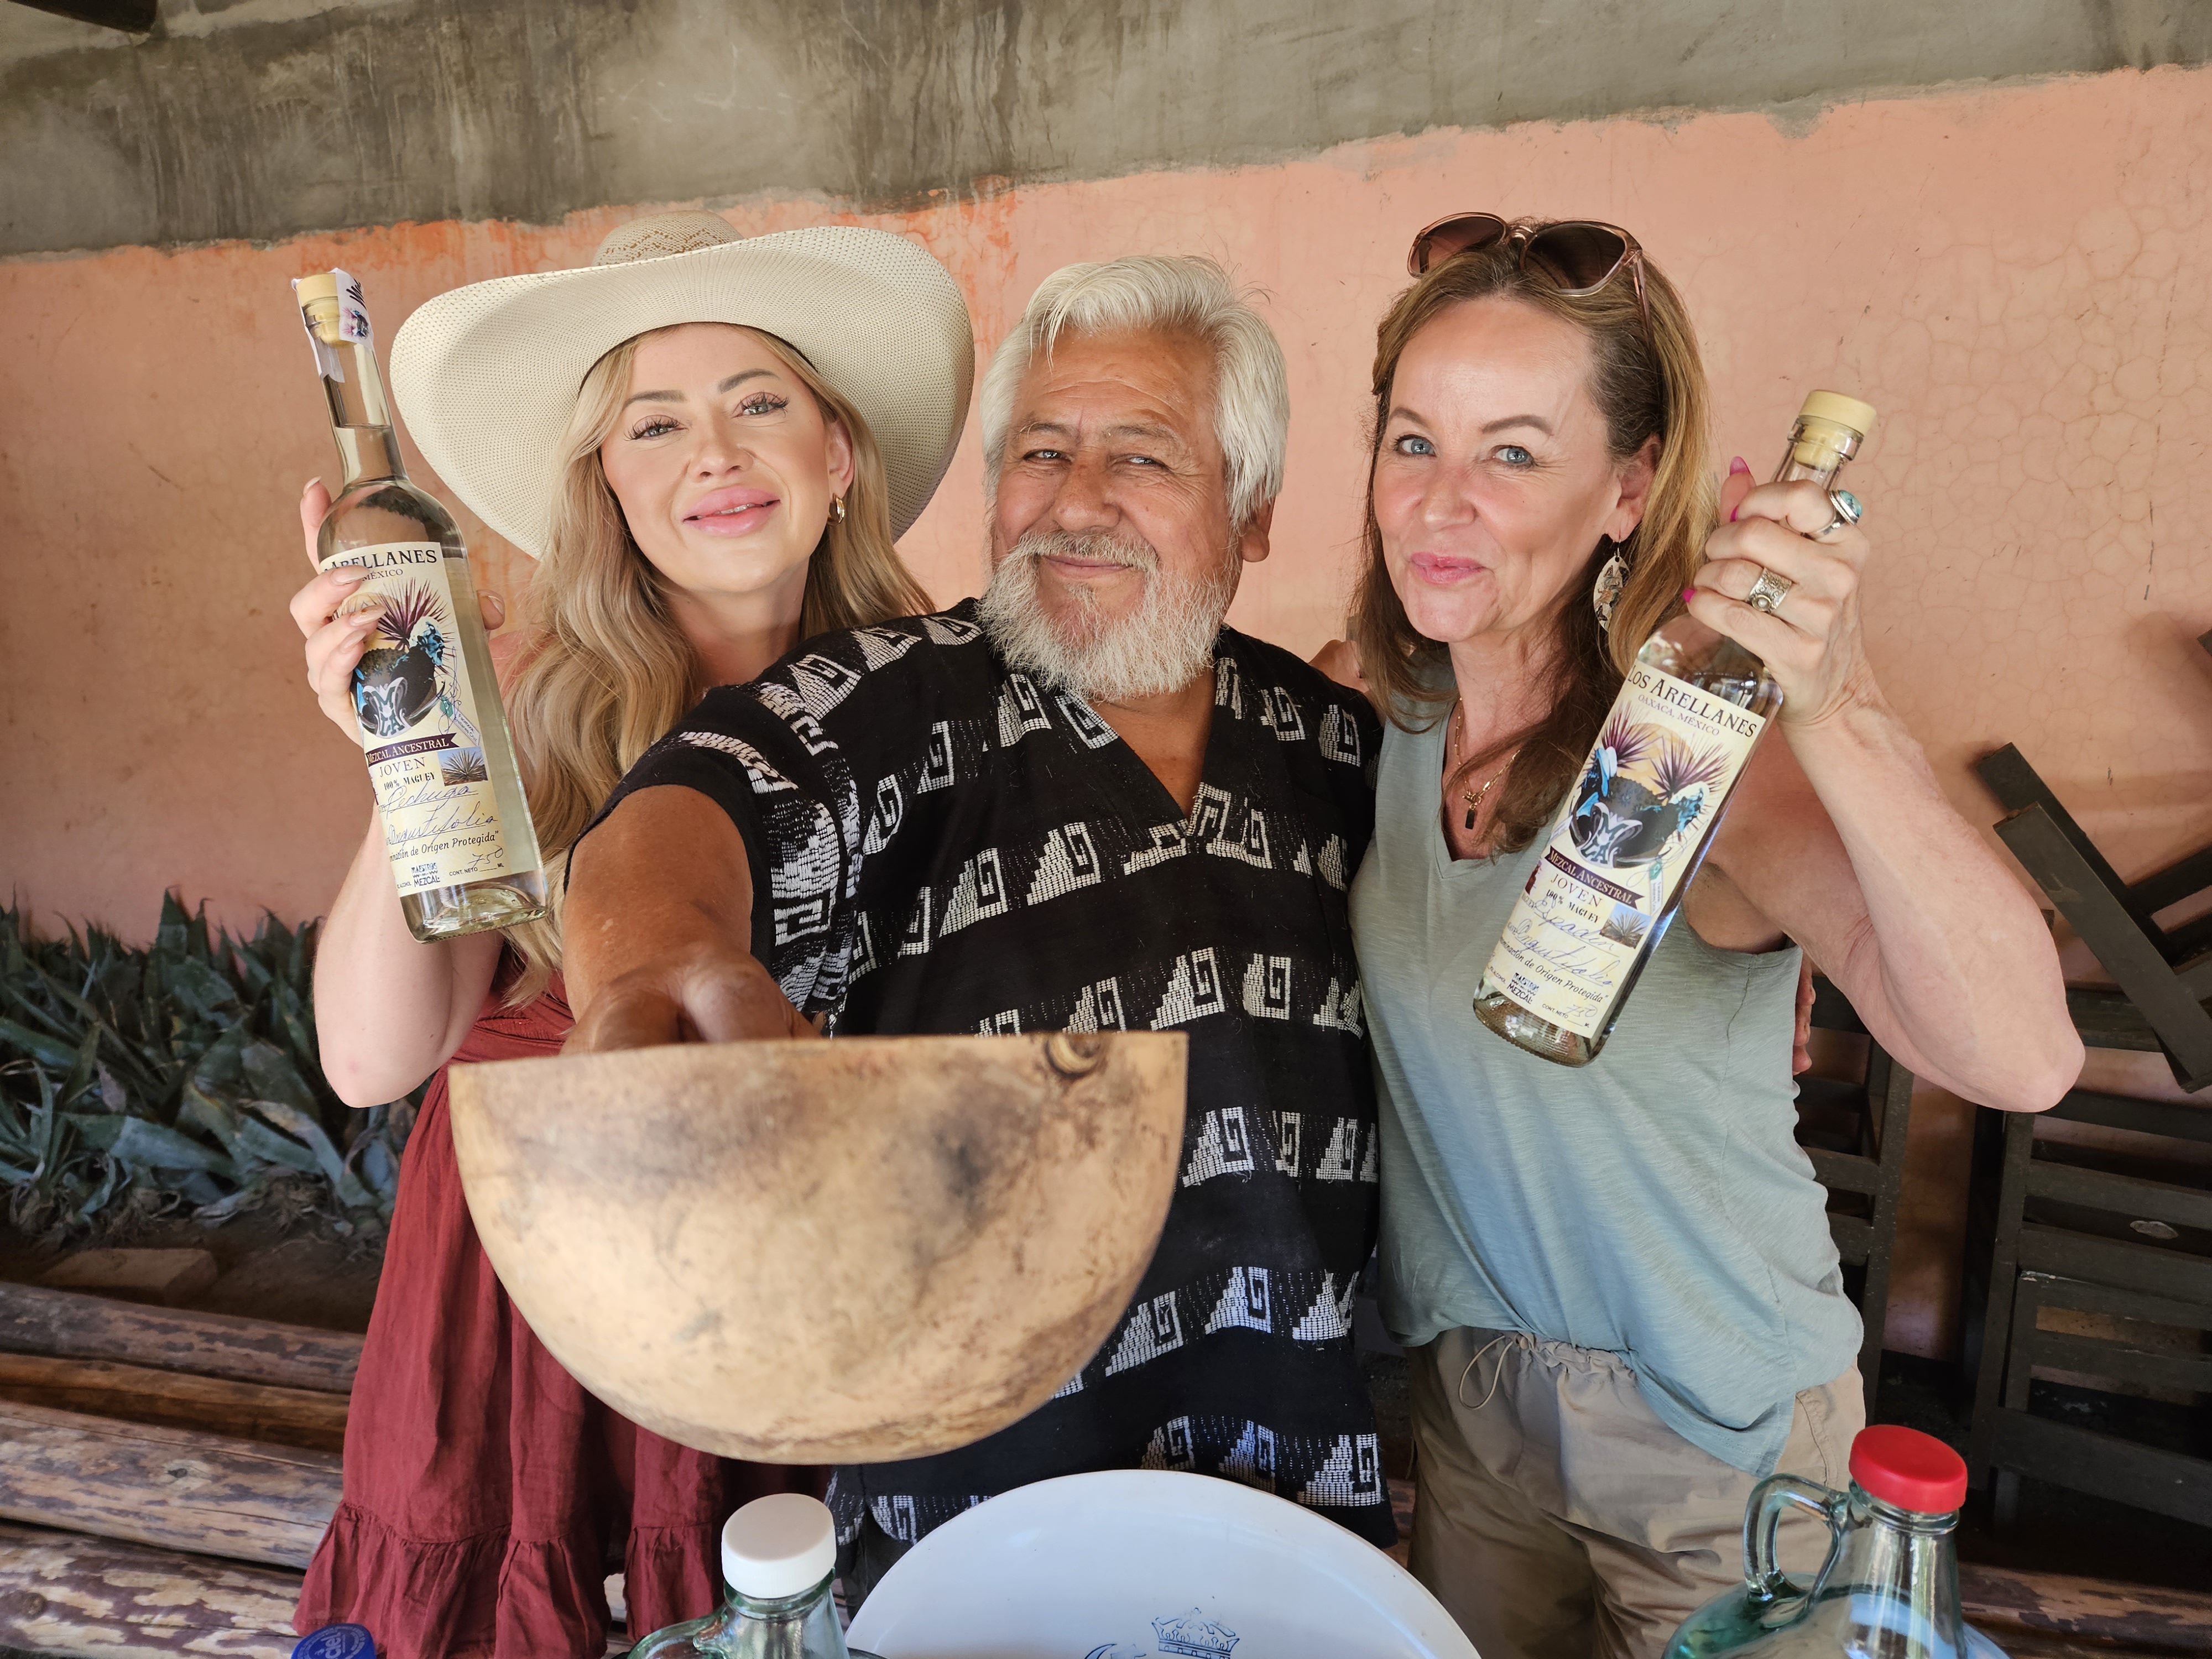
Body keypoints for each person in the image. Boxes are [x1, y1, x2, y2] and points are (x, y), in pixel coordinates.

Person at [560, 255, 1396, 1603]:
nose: (1075, 502)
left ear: (1250, 515)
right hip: (969, 1537)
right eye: (1039, 451)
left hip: (1297, 1507)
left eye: (1142, 458)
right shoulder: (910, 699)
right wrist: (656, 969)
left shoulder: (1330, 747)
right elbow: (698, 801)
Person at [1326, 216, 2081, 1658]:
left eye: (1515, 453)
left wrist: (1839, 705)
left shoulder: (1692, 759)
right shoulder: (1381, 714)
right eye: (1414, 441)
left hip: (1717, 1434)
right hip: (1474, 1415)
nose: (1442, 503)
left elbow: (2026, 1058)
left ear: (1629, 487)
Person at [285, 210, 972, 1658]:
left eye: (758, 403)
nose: (711, 456)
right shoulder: (532, 717)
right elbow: (368, 1059)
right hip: (518, 1326)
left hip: (786, 1307)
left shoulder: (939, 716)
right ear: (608, 482)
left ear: (839, 454)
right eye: (653, 423)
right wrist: (405, 757)